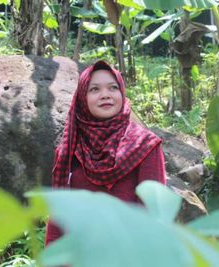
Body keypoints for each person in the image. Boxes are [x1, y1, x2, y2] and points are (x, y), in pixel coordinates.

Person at [45, 60, 166, 246]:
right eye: (94, 89)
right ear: (82, 99)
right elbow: (58, 219)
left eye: (112, 88)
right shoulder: (69, 149)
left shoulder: (144, 146)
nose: (105, 95)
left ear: (122, 93)